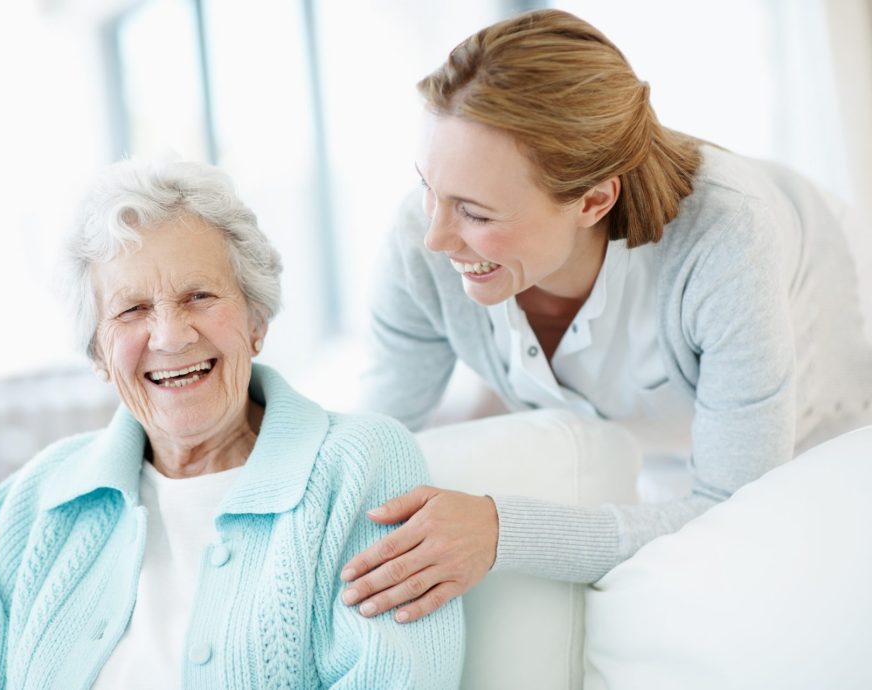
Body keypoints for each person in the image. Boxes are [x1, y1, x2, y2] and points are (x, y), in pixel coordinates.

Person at [339, 8, 872, 625]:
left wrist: (500, 530)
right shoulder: (421, 238)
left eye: (476, 214)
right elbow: (370, 439)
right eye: (428, 186)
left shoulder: (728, 244)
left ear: (593, 200)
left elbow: (733, 508)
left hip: (838, 363)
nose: (433, 237)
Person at [0, 159, 464, 689]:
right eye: (131, 309)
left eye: (199, 296)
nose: (170, 335)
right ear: (98, 353)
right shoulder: (30, 503)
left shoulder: (359, 466)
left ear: (256, 320)